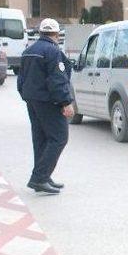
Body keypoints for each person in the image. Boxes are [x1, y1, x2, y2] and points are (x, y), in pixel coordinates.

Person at [17, 18, 74, 194]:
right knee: (59, 138)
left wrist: (26, 96)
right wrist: (66, 102)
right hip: (49, 102)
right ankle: (39, 178)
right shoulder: (52, 51)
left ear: (40, 33)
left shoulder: (29, 50)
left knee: (41, 139)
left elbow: (21, 79)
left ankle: (44, 176)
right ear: (56, 34)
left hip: (32, 100)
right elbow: (57, 80)